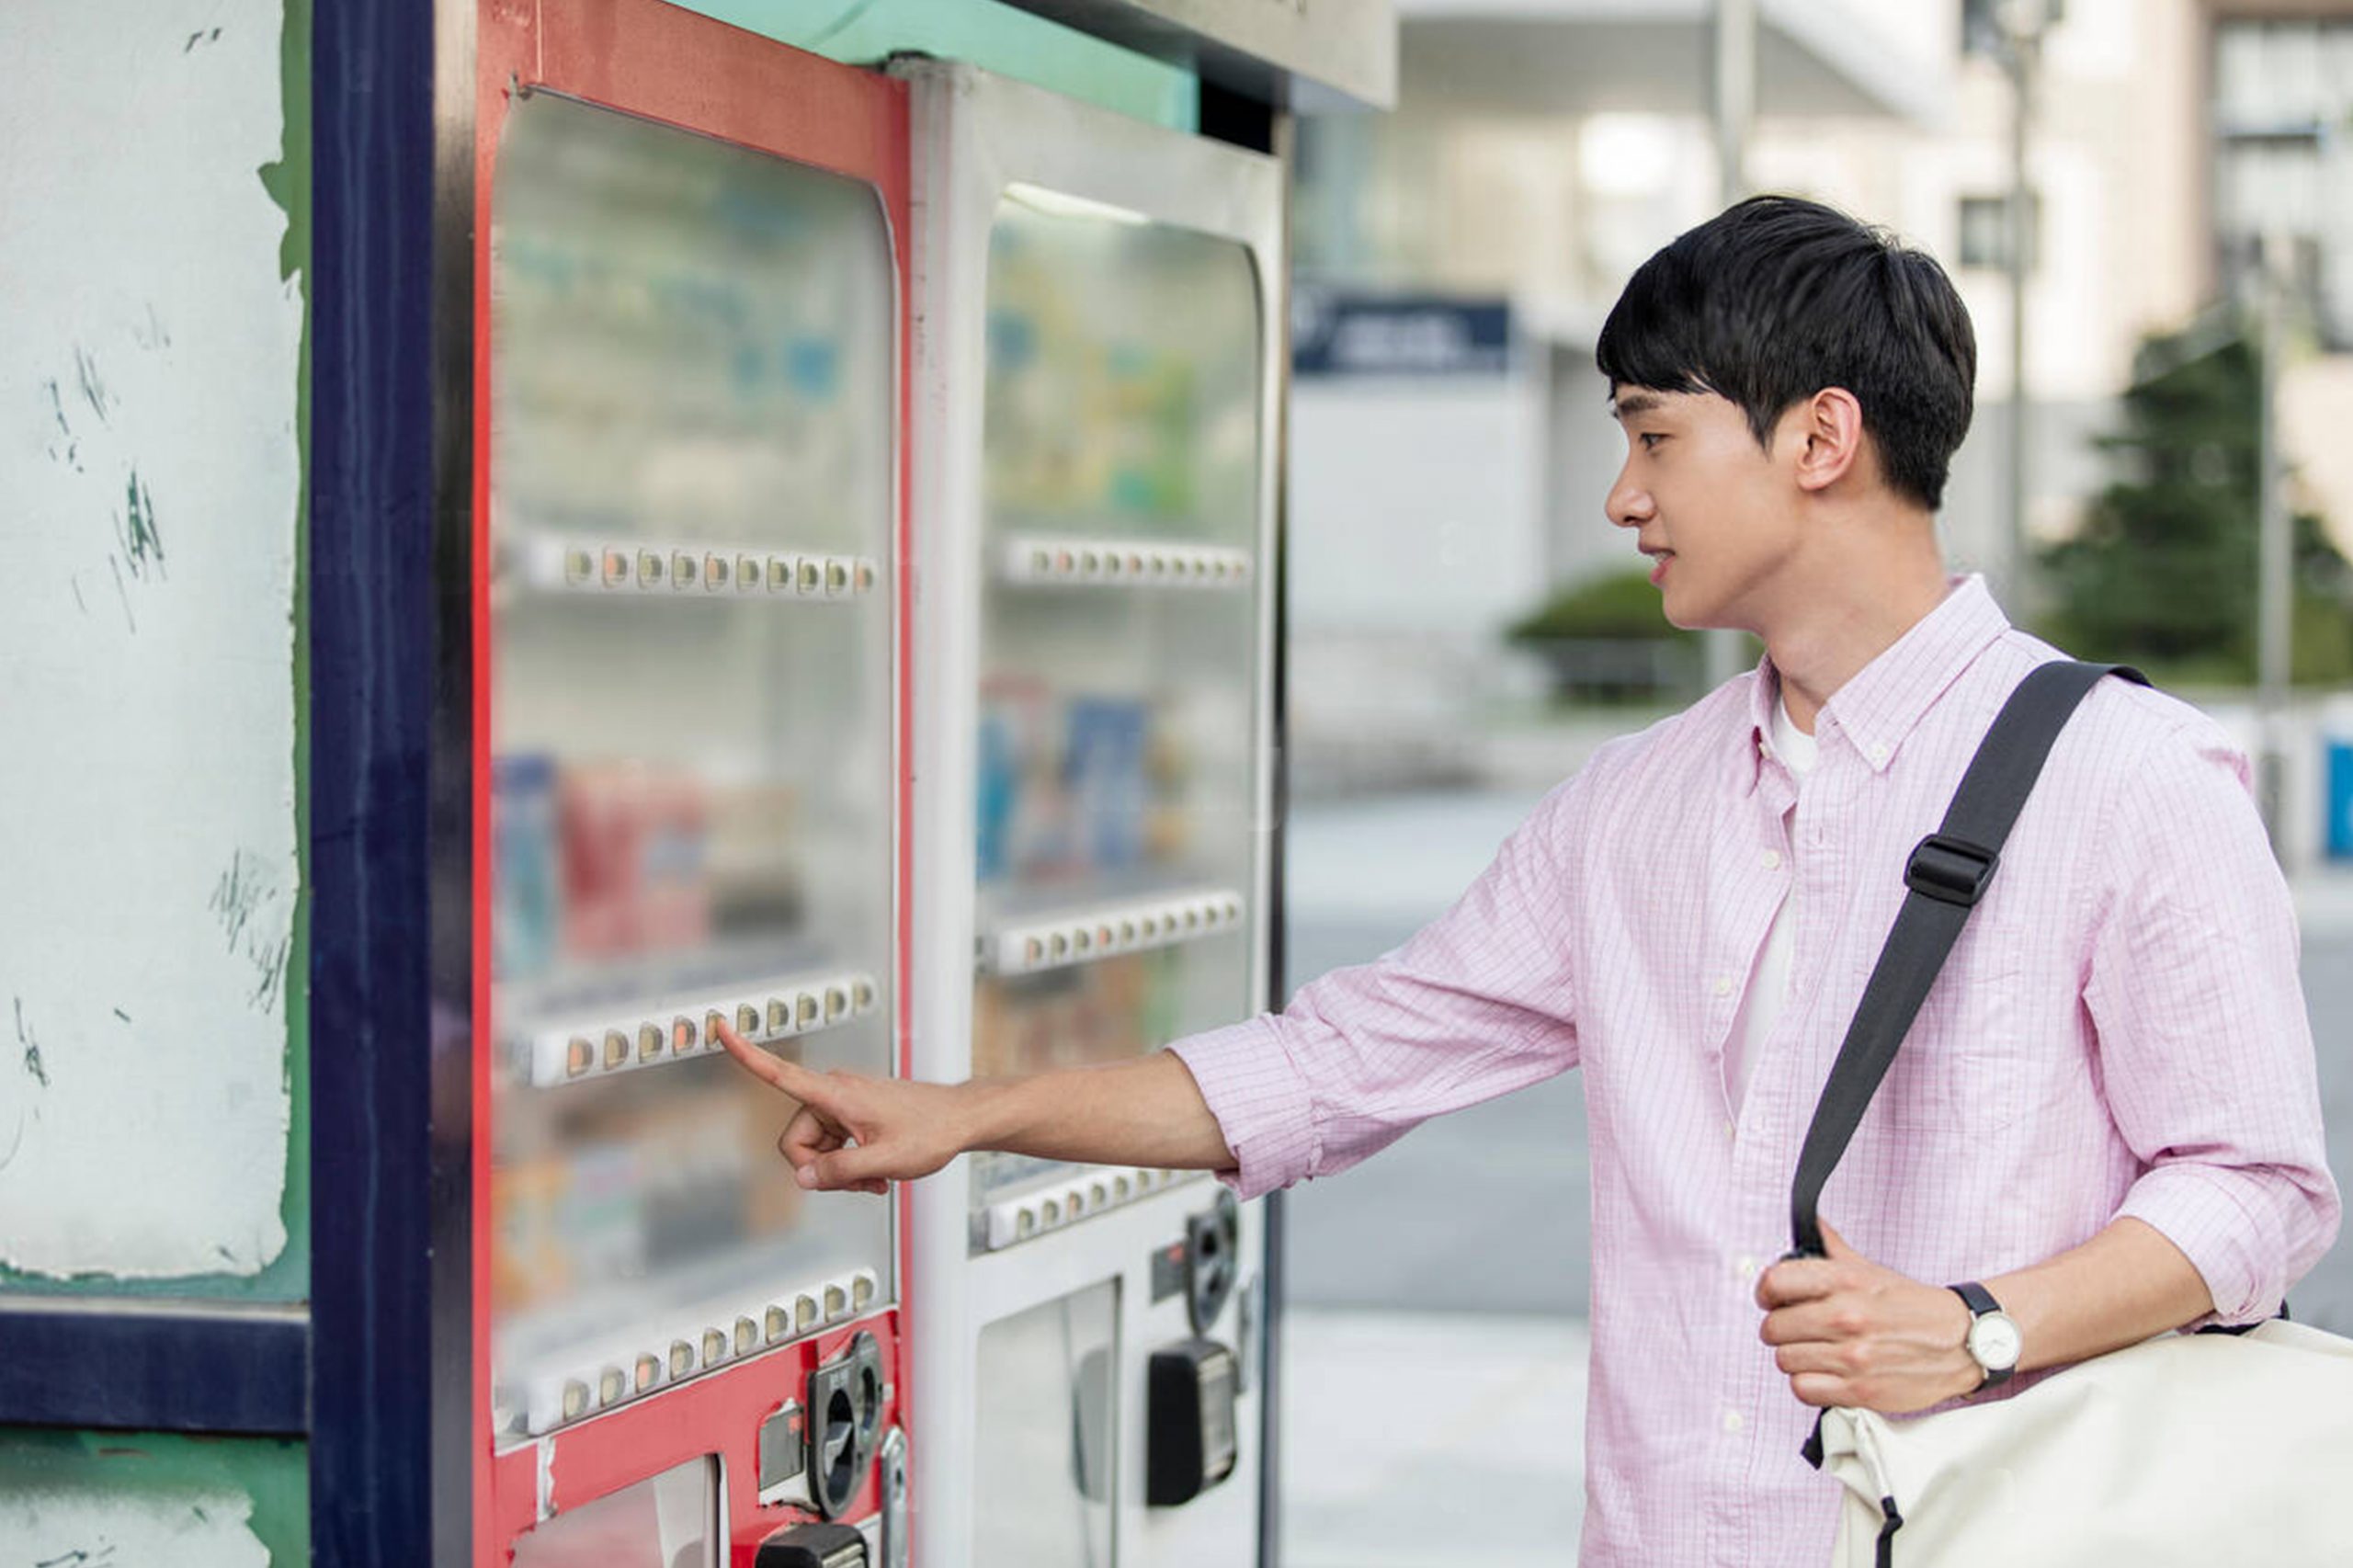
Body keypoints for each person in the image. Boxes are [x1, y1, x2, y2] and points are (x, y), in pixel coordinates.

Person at [716, 195, 2340, 1564]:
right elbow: (1338, 1061)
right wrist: (967, 1115)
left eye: (1653, 438)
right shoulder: (1633, 806)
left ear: (1821, 438)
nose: (1623, 497)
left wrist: (1979, 1324)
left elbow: (2259, 1187)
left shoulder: (2126, 777)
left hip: (1981, 1528)